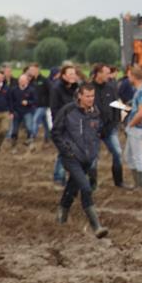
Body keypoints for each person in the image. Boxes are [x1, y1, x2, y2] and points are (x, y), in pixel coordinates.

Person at [51, 83, 109, 238]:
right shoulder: (68, 110)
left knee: (72, 186)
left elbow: (98, 133)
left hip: (87, 159)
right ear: (80, 96)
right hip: (71, 158)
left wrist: (94, 151)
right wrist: (67, 150)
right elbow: (55, 132)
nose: (90, 99)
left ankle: (62, 213)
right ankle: (96, 226)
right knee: (86, 187)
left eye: (92, 96)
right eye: (87, 96)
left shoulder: (96, 113)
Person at [91, 64, 126, 188]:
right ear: (98, 74)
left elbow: (116, 105)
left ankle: (119, 181)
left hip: (109, 128)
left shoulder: (111, 88)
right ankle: (92, 184)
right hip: (93, 129)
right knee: (93, 157)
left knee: (117, 153)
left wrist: (115, 122)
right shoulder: (88, 88)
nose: (109, 75)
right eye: (106, 73)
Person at [123, 65, 142, 188]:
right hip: (138, 127)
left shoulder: (141, 92)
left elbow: (141, 113)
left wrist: (130, 124)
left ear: (134, 77)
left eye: (129, 76)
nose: (128, 78)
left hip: (137, 127)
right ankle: (138, 183)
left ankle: (141, 185)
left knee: (137, 156)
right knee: (128, 155)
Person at [50, 65, 80, 185]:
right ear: (63, 76)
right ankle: (59, 177)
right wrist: (59, 125)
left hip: (74, 124)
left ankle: (64, 176)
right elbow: (54, 109)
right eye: (70, 74)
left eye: (74, 74)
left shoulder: (76, 88)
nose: (73, 76)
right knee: (64, 150)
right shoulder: (56, 88)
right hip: (62, 125)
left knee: (70, 150)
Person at [25, 63, 52, 145]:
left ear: (38, 69)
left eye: (33, 69)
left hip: (44, 105)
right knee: (45, 123)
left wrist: (50, 103)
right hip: (36, 105)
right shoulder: (32, 81)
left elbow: (51, 91)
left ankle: (32, 137)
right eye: (30, 70)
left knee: (35, 119)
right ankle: (48, 138)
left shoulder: (44, 80)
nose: (31, 71)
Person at [8, 74, 36, 152]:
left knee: (29, 128)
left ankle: (30, 142)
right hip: (16, 112)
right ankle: (13, 146)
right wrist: (11, 112)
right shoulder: (14, 90)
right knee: (14, 130)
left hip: (27, 111)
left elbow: (35, 101)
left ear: (27, 81)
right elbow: (10, 101)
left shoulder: (31, 90)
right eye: (21, 80)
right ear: (18, 81)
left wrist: (28, 102)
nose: (22, 82)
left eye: (24, 80)